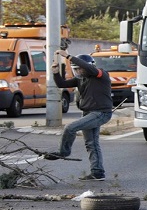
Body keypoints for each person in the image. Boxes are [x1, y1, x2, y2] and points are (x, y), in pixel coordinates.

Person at [45, 50, 113, 181]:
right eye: (76, 69)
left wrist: (69, 56)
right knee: (91, 143)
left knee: (70, 127)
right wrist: (55, 72)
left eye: (80, 69)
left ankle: (63, 152)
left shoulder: (100, 74)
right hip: (89, 113)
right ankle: (97, 172)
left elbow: (88, 67)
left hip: (101, 112)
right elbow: (62, 84)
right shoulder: (80, 79)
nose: (79, 72)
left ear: (90, 67)